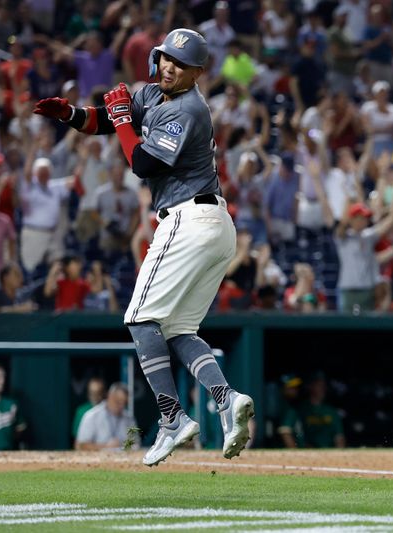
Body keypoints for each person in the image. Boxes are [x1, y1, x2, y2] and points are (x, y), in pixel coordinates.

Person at [33, 28, 254, 467]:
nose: (170, 67)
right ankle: (226, 399)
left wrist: (117, 119)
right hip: (210, 223)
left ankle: (172, 419)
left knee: (139, 318)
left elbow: (142, 163)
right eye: (167, 58)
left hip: (189, 219)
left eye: (181, 64)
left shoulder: (189, 109)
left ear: (196, 74)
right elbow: (106, 118)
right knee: (178, 331)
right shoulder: (153, 93)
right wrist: (72, 114)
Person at [280, 372, 346, 449]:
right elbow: (285, 431)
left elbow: (339, 437)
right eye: (291, 387)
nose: (295, 390)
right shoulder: (296, 409)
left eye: (296, 388)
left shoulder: (331, 411)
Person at [75, 382, 139, 451]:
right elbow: (80, 445)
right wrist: (105, 446)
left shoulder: (129, 418)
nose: (121, 406)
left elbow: (136, 444)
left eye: (124, 403)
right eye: (118, 401)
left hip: (123, 459)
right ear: (109, 396)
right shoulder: (92, 416)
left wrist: (124, 446)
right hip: (97, 460)